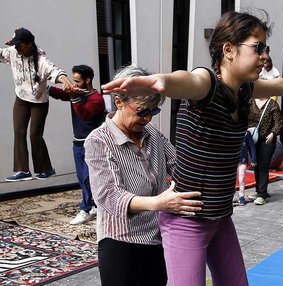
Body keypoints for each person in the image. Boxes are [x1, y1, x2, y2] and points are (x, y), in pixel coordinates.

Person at [100, 11, 283, 286]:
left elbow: (277, 84)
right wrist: (162, 81)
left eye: (266, 48)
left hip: (220, 218)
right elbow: (187, 80)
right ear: (229, 50)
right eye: (257, 47)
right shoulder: (207, 84)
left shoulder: (244, 90)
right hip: (187, 220)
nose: (264, 55)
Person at [85, 65, 203, 286]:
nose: (148, 118)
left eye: (153, 111)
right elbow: (109, 197)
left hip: (157, 238)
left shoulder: (152, 134)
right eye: (142, 111)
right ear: (119, 101)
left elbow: (179, 166)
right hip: (120, 243)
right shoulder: (99, 140)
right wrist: (159, 203)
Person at [1, 28, 80, 181]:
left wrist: (67, 82)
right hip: (21, 99)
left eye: (19, 45)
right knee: (19, 132)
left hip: (39, 102)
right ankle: (22, 170)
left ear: (29, 44)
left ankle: (45, 168)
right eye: (15, 45)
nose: (16, 47)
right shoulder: (13, 52)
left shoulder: (40, 60)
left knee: (34, 135)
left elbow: (55, 71)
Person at [48, 65, 105, 224]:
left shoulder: (97, 99)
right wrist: (44, 87)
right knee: (82, 178)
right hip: (77, 143)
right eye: (73, 81)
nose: (74, 84)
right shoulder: (76, 92)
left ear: (87, 80)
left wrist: (73, 97)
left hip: (93, 144)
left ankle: (85, 209)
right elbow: (59, 94)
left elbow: (85, 115)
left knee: (88, 178)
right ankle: (93, 206)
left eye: (77, 81)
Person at [247, 97, 282, 205]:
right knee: (256, 166)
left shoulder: (272, 104)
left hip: (267, 140)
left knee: (263, 166)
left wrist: (273, 133)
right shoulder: (250, 102)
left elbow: (278, 122)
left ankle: (262, 194)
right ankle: (258, 191)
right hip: (252, 139)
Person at [236, 131, 257, 206]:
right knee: (230, 179)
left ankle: (241, 197)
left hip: (243, 160)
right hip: (231, 159)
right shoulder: (229, 130)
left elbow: (252, 146)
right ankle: (228, 197)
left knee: (242, 179)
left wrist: (254, 158)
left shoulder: (246, 133)